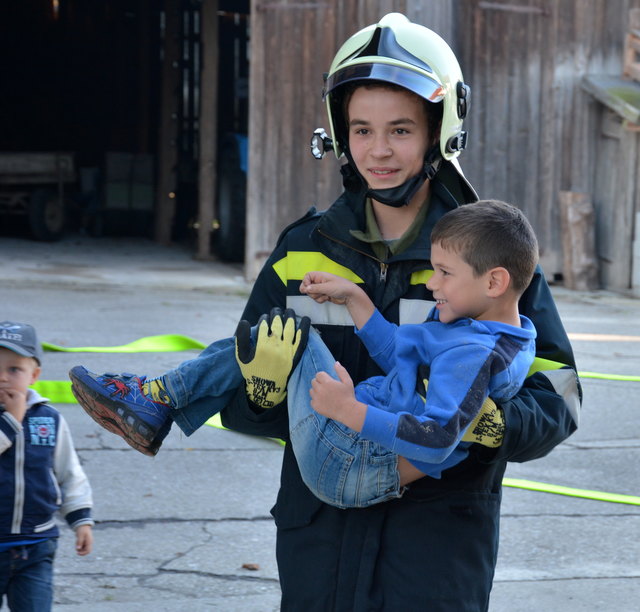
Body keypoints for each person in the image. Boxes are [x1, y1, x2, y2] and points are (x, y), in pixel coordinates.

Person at [71, 13, 581, 610]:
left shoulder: (487, 258)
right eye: (361, 130)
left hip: (436, 549)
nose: (379, 150)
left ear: (440, 132)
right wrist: (261, 395)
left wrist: (494, 422)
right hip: (321, 541)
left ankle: (154, 401)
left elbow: (559, 394)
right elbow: (256, 396)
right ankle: (155, 402)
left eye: (400, 130)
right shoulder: (301, 252)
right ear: (340, 135)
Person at [69, 200, 539, 510]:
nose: (432, 282)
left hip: (354, 461)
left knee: (285, 331)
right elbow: (401, 355)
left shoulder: (474, 354)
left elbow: (435, 440)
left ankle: (156, 400)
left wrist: (349, 411)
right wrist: (356, 298)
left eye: (443, 272)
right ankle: (156, 402)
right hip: (357, 457)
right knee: (276, 334)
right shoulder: (488, 333)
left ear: (494, 282)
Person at [0, 321, 94, 612]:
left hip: (37, 543)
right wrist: (11, 422)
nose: (2, 378)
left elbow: (69, 471)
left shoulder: (49, 419)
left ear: (34, 375)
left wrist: (81, 519)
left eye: (14, 369)